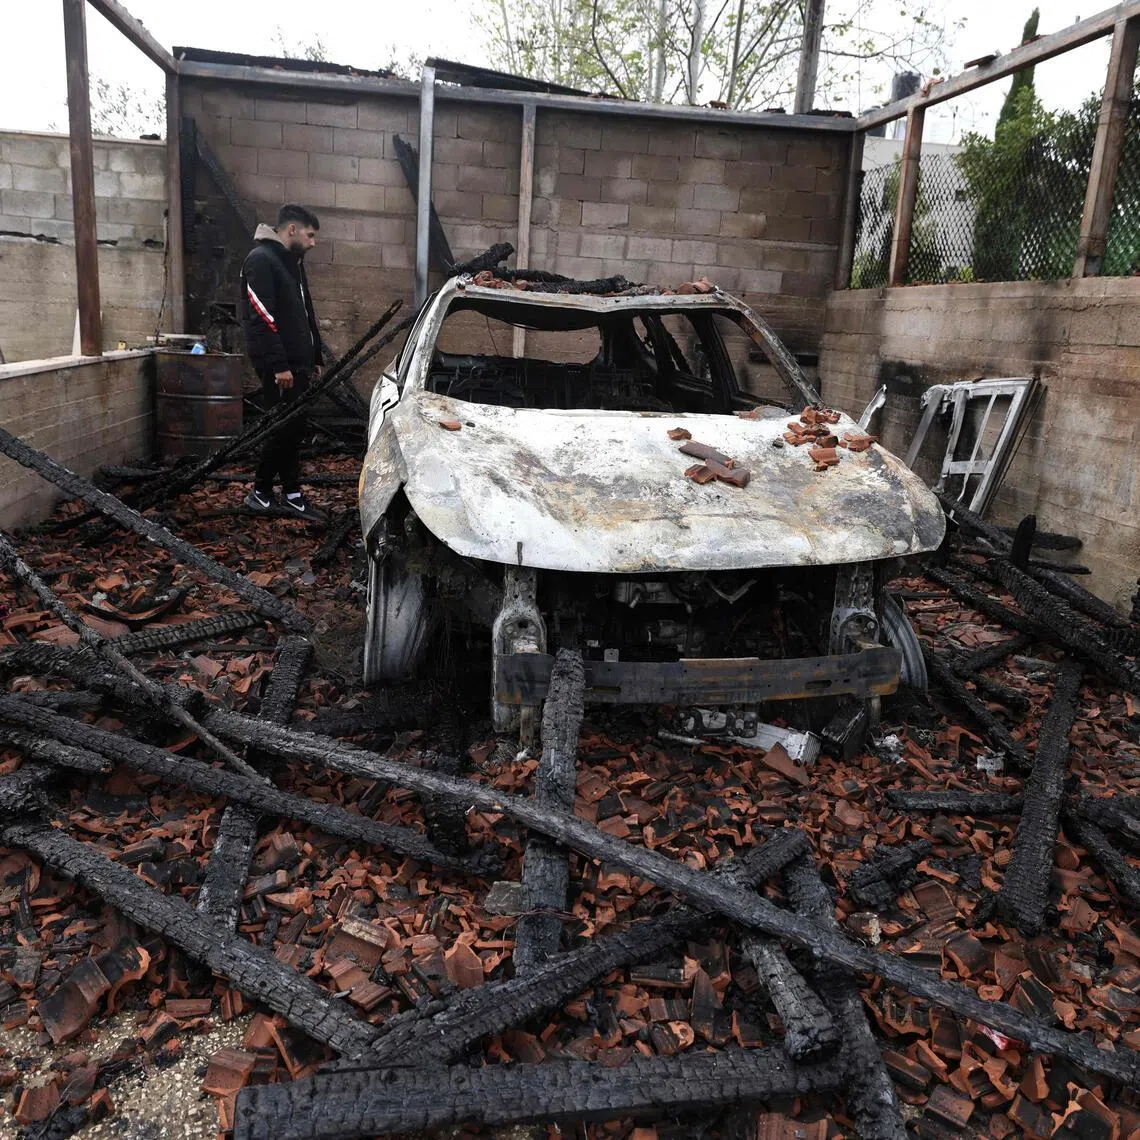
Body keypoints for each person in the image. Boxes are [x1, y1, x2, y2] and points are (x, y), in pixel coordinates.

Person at [239, 203, 327, 520]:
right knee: (282, 428)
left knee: (294, 428)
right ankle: (260, 492)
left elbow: (305, 313)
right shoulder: (261, 260)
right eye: (310, 235)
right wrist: (279, 366)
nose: (313, 242)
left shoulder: (292, 263)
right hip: (280, 366)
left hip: (297, 363)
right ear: (292, 230)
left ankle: (291, 493)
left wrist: (314, 355)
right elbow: (262, 319)